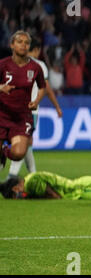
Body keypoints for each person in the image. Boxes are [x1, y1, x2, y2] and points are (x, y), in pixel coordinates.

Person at [7, 37, 63, 179]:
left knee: (25, 142)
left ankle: (32, 173)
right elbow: (47, 88)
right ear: (36, 50)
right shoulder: (39, 65)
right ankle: (12, 175)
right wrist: (56, 106)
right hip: (29, 111)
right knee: (24, 142)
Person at [0, 31, 46, 172]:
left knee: (19, 153)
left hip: (21, 117)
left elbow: (42, 87)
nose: (23, 45)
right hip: (1, 114)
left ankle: (4, 153)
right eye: (19, 42)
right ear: (12, 45)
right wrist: (1, 87)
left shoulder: (35, 68)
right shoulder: (2, 64)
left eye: (26, 43)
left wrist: (36, 101)